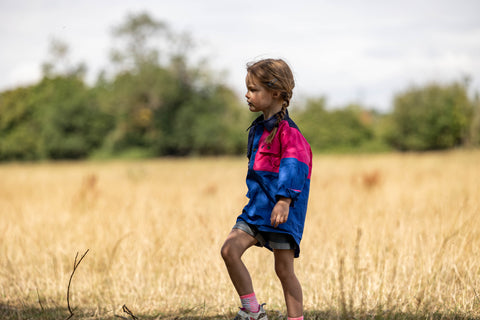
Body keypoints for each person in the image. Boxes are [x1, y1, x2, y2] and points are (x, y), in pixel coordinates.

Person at [221, 58, 312, 320]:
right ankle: (252, 311)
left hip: (282, 211)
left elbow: (295, 168)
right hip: (257, 210)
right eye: (247, 88)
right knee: (229, 250)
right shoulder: (258, 130)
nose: (247, 94)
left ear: (275, 93)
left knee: (284, 271)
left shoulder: (289, 132)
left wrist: (284, 200)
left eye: (253, 89)